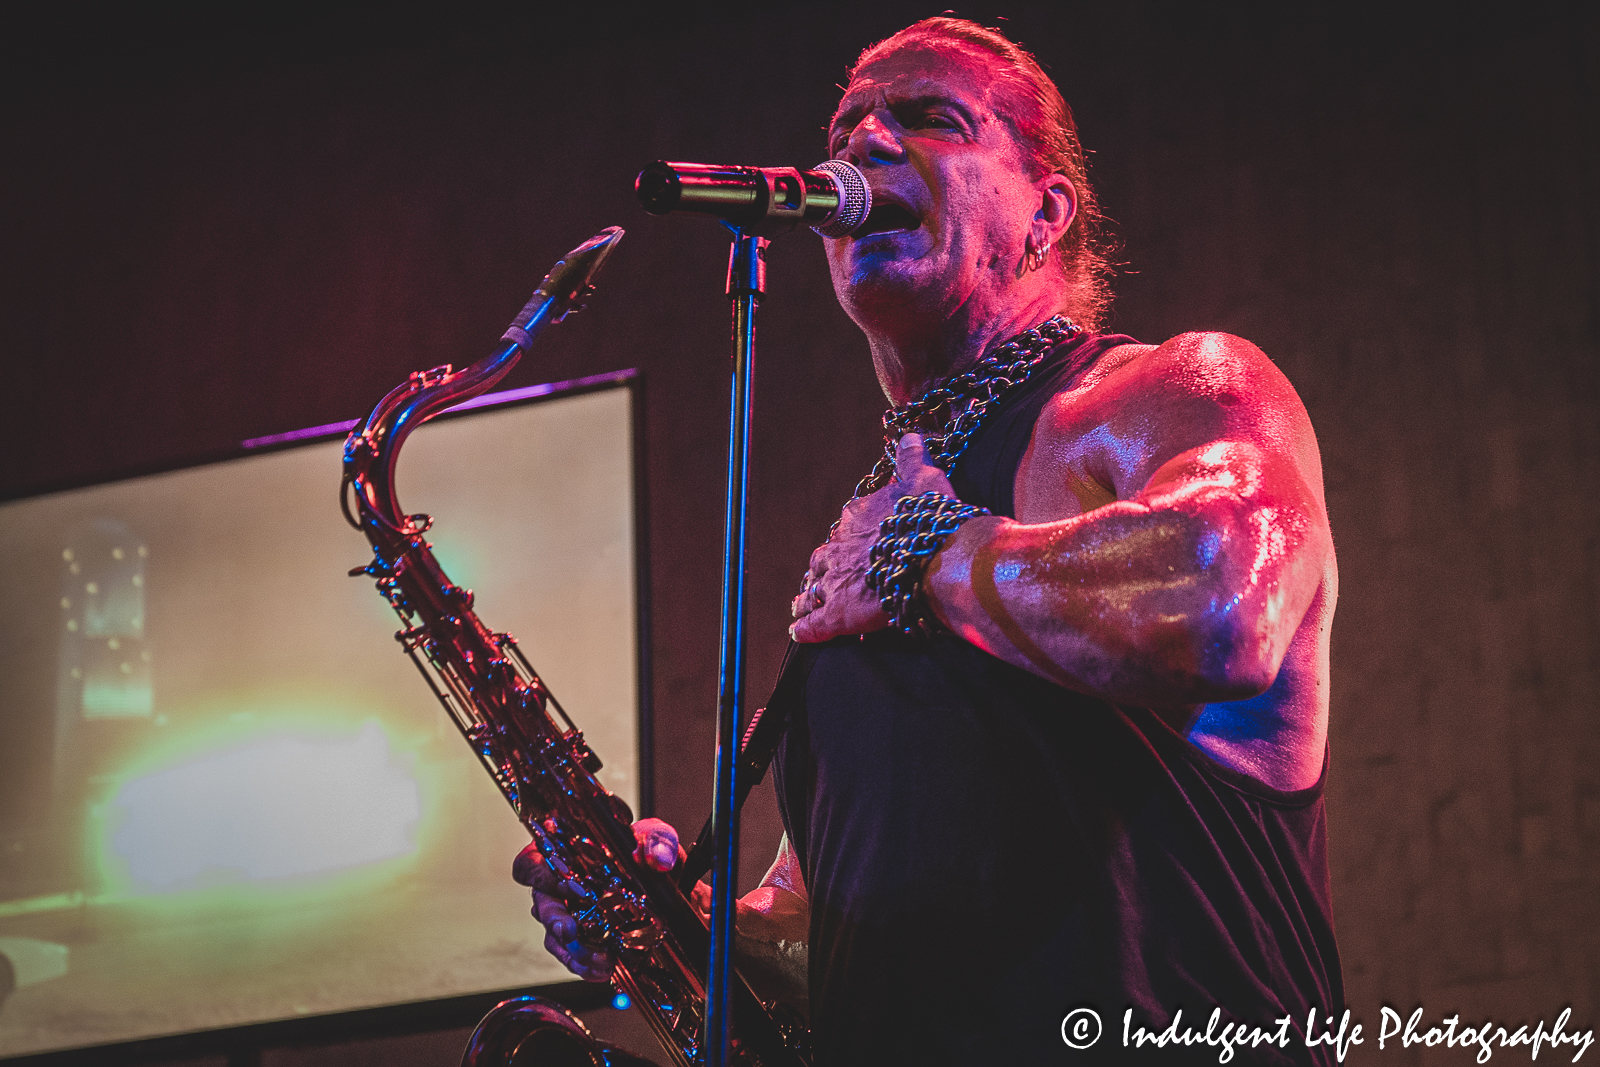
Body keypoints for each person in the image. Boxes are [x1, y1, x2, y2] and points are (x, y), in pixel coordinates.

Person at [517, 16, 1342, 1065]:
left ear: (1045, 212)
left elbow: (1221, 600)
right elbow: (821, 936)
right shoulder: (868, 541)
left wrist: (930, 552)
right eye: (847, 124)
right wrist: (669, 921)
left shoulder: (1159, 394)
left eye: (925, 119)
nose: (860, 143)